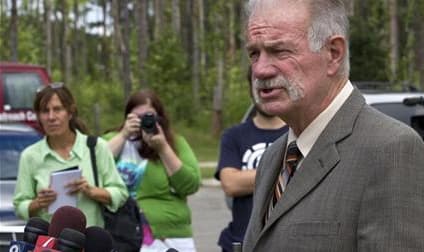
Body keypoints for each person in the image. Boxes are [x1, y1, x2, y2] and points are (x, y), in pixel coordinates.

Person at [242, 0, 424, 251]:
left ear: (334, 53)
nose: (260, 70)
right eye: (254, 53)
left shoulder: (392, 151)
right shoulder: (274, 158)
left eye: (279, 51)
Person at [13, 83, 128, 227]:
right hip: (50, 245)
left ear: (70, 112)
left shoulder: (96, 147)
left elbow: (120, 193)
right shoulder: (30, 156)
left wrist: (91, 191)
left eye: (57, 109)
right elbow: (19, 206)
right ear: (39, 116)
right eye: (44, 111)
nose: (51, 117)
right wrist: (38, 203)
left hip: (91, 241)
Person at [103, 89, 201, 252]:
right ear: (127, 117)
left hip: (172, 235)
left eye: (148, 117)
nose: (142, 122)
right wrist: (124, 135)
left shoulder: (175, 143)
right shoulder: (113, 140)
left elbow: (190, 185)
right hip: (124, 234)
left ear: (159, 118)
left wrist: (163, 149)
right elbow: (95, 165)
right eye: (137, 117)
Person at [215, 68, 287, 252]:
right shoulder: (233, 136)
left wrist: (245, 178)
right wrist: (287, 169)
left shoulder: (296, 133)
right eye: (259, 83)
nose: (266, 88)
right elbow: (231, 184)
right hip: (240, 242)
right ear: (251, 89)